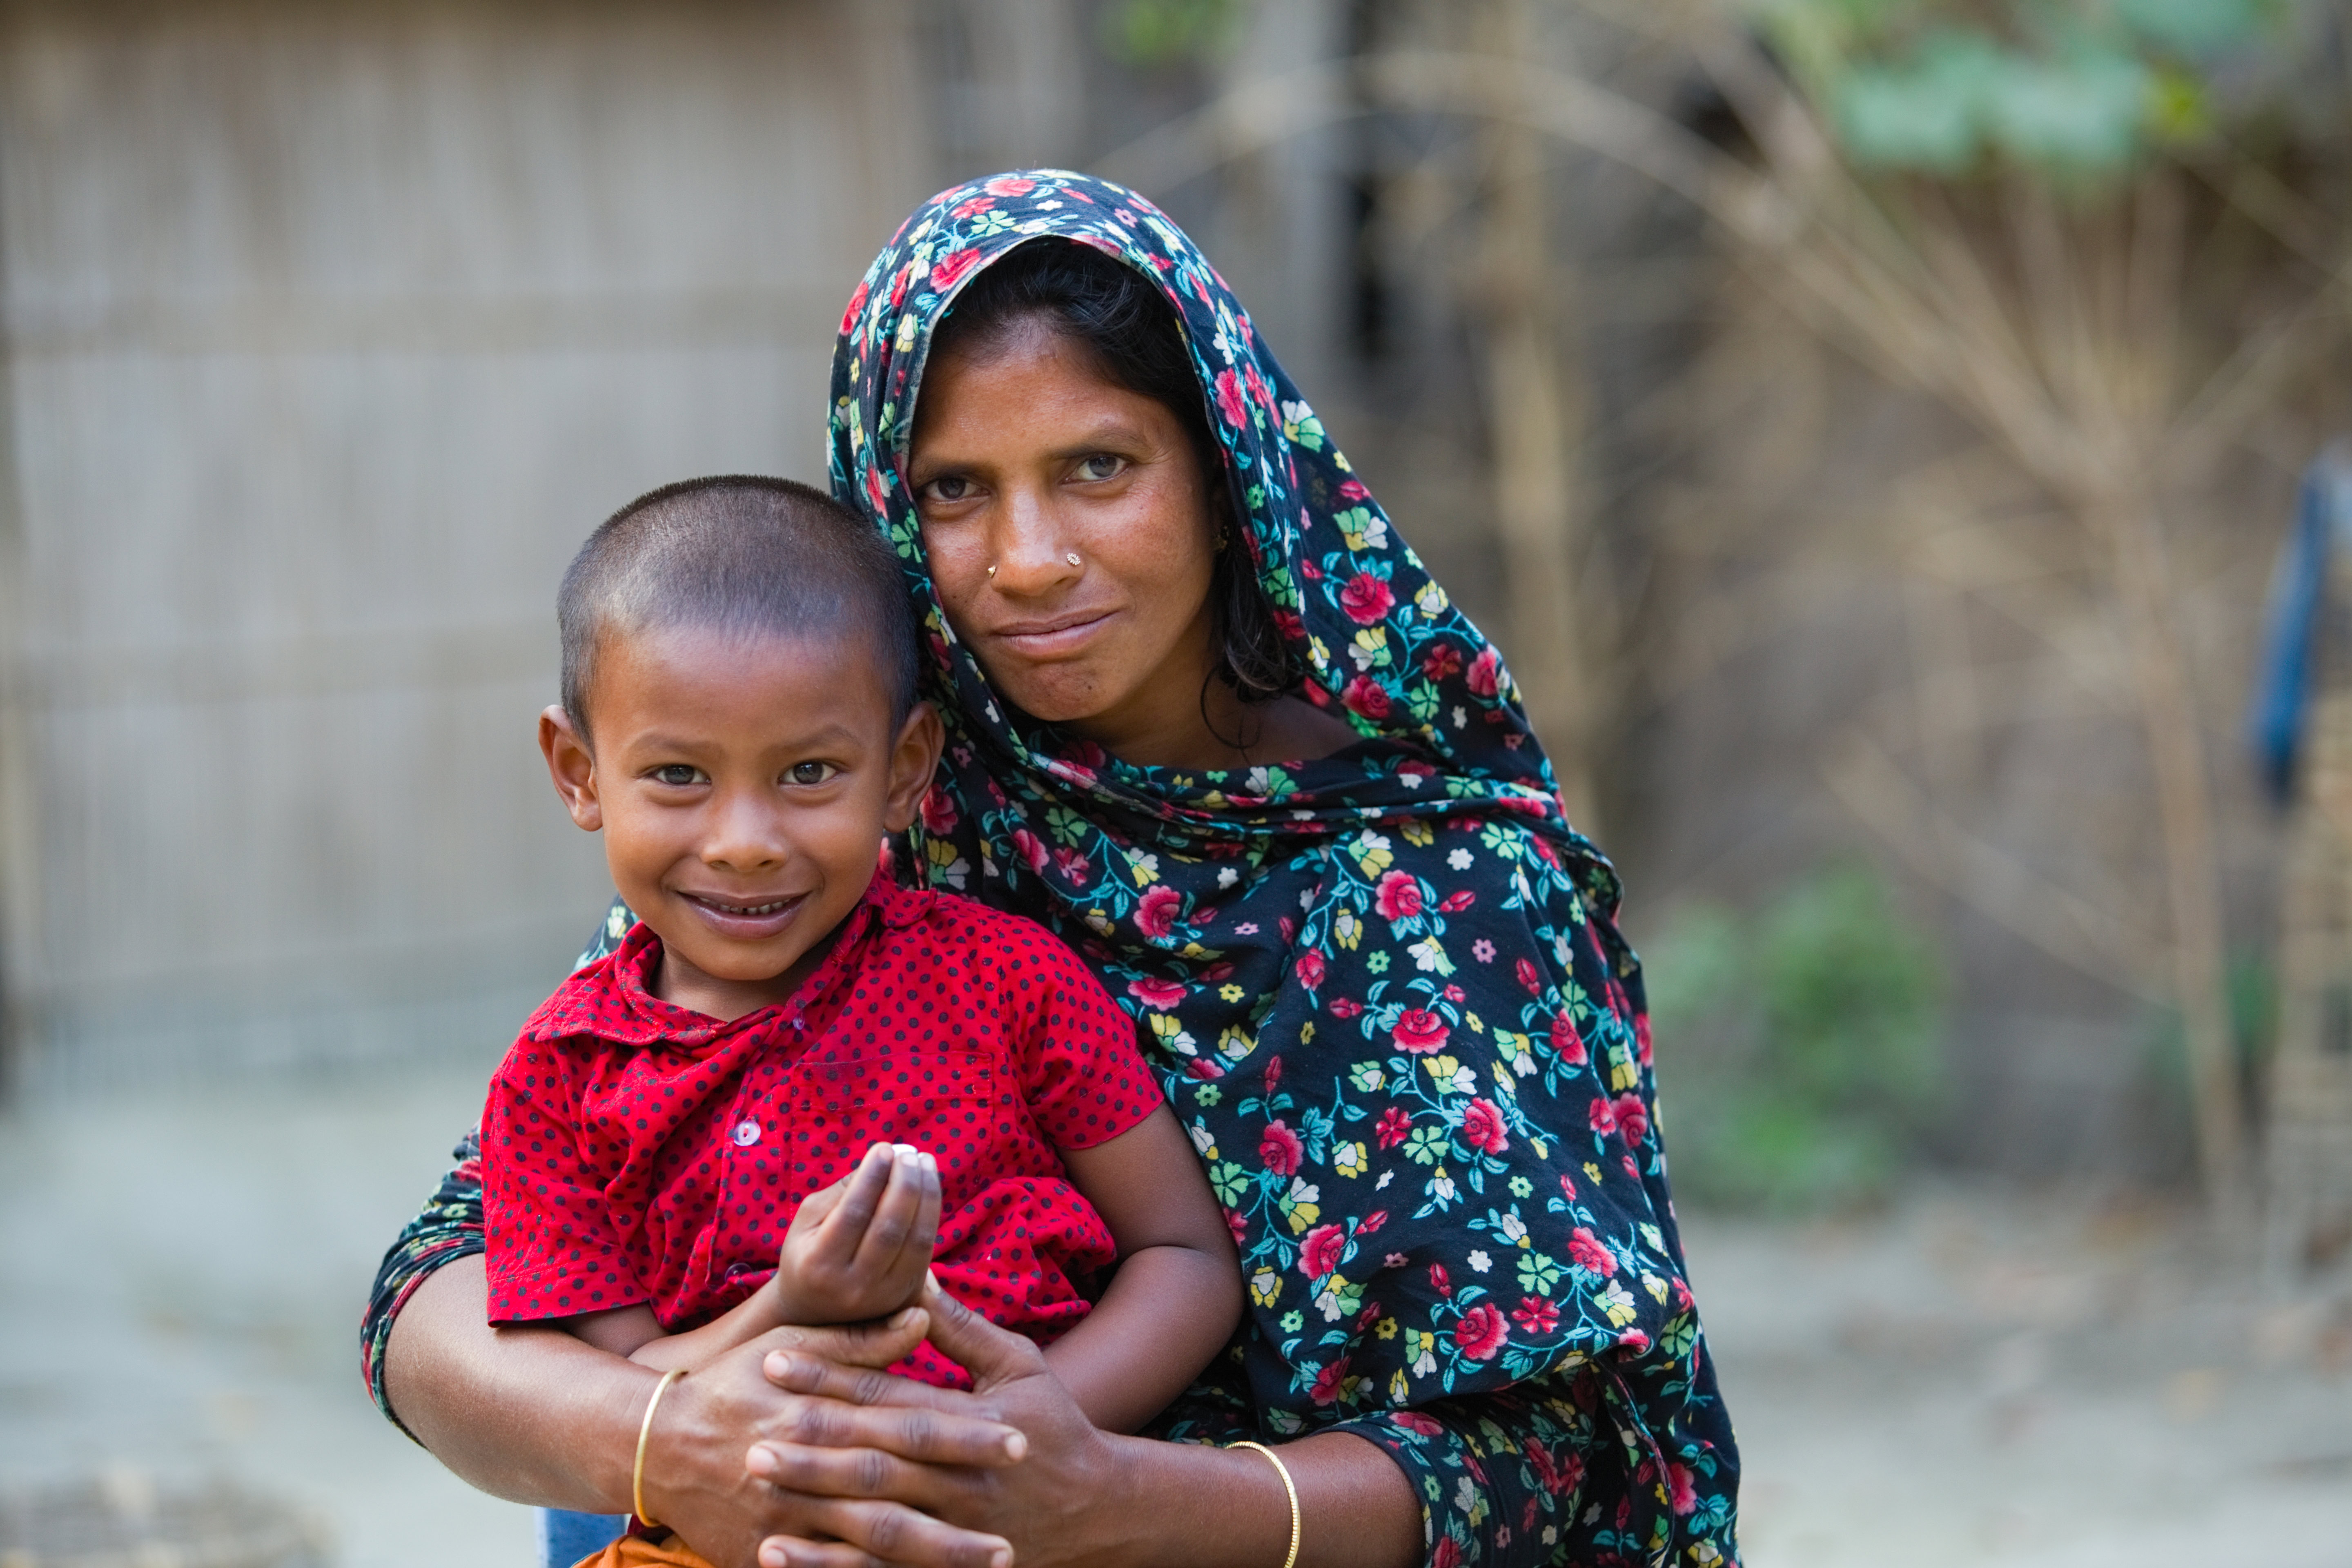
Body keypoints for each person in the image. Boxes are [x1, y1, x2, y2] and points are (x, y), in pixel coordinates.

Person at [365, 171, 1741, 1568]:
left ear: (1223, 474)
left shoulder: (1436, 880)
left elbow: (1559, 1452)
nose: (1027, 562)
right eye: (957, 489)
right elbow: (449, 1280)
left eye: (1098, 468)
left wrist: (1108, 1495)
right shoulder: (840, 809)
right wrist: (675, 1440)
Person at [479, 475, 1242, 1470]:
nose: (744, 843)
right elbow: (627, 1390)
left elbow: (1184, 1261)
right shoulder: (557, 1082)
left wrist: (1015, 1438)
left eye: (808, 774)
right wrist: (787, 1309)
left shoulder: (1007, 982)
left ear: (905, 767)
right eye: (678, 776)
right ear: (580, 773)